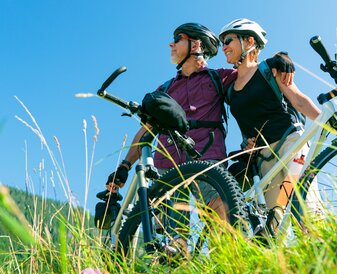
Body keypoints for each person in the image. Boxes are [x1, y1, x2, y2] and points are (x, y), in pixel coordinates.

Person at [104, 22, 295, 255]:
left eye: (178, 38)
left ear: (196, 44)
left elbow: (252, 77)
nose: (170, 44)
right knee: (171, 239)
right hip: (167, 165)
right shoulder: (165, 89)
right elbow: (146, 131)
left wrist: (278, 59)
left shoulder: (219, 78)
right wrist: (124, 165)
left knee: (222, 220)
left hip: (206, 159)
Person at [218, 18, 321, 228]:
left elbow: (298, 101)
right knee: (273, 225)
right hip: (264, 160)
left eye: (228, 40)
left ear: (248, 41)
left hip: (291, 145)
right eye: (222, 43)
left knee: (305, 207)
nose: (224, 47)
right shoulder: (229, 91)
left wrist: (328, 122)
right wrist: (247, 146)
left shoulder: (270, 70)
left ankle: (327, 255)